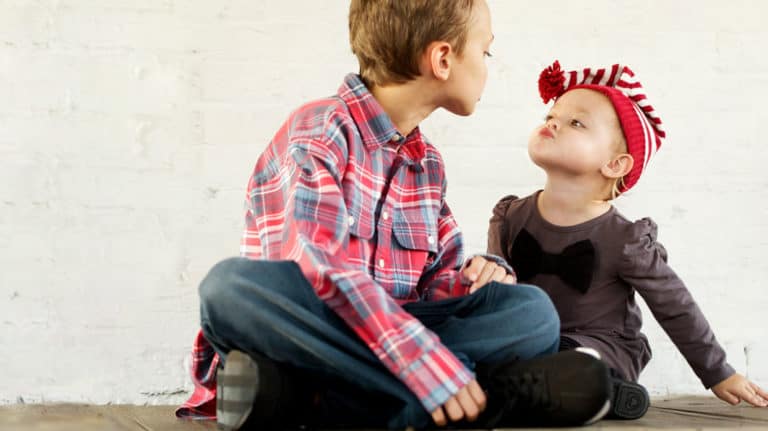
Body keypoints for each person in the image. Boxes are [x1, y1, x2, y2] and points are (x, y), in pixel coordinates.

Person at [175, 4, 616, 431]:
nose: (487, 66)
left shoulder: (428, 165)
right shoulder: (322, 128)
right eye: (485, 52)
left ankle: (310, 398)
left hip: (377, 341)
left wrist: (480, 276)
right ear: (442, 58)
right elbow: (317, 268)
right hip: (309, 326)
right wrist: (421, 358)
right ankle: (477, 397)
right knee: (230, 288)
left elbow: (436, 286)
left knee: (532, 313)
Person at [488, 60, 768, 415]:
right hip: (529, 340)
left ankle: (595, 388)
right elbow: (497, 297)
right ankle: (531, 390)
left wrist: (717, 372)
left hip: (599, 345)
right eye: (550, 117)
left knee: (578, 360)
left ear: (616, 165)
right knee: (487, 349)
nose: (554, 123)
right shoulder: (510, 217)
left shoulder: (624, 239)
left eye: (576, 122)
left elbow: (675, 305)